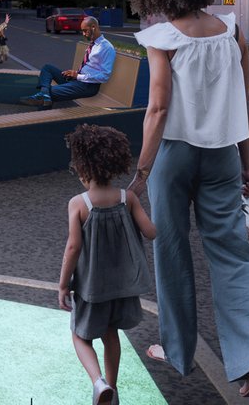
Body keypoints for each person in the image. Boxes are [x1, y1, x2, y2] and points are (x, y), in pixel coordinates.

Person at [129, 0, 249, 396]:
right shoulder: (232, 31)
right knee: (235, 255)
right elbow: (244, 105)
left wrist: (141, 174)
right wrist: (247, 163)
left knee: (171, 254)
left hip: (174, 156)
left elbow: (157, 108)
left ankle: (176, 352)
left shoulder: (162, 37)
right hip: (223, 156)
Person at [57, 124, 156, 405]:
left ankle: (98, 383)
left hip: (91, 287)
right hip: (123, 286)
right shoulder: (128, 198)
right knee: (111, 334)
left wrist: (64, 285)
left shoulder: (79, 203)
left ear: (81, 167)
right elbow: (151, 232)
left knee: (80, 335)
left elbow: (73, 247)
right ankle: (112, 390)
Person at [24, 16, 114, 108]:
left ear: (93, 27)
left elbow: (104, 76)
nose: (83, 34)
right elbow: (89, 66)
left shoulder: (106, 48)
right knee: (47, 68)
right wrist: (74, 73)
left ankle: (45, 100)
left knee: (50, 93)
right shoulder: (93, 44)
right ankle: (45, 93)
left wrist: (78, 76)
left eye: (85, 30)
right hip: (77, 80)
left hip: (87, 86)